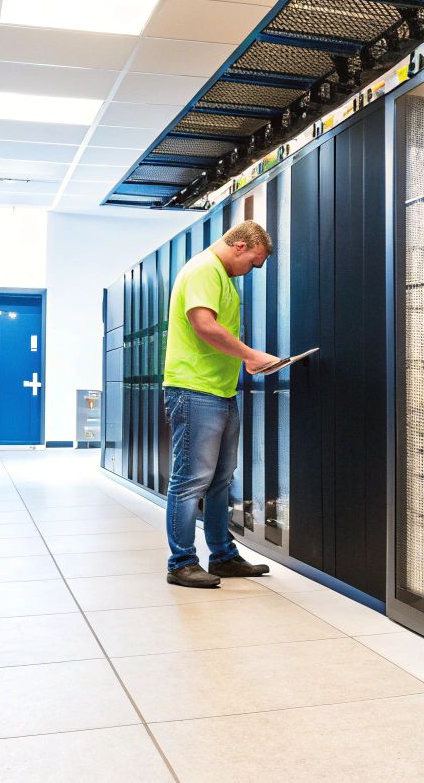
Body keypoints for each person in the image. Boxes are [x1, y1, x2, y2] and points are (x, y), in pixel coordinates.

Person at [161, 220, 278, 588]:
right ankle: (181, 562)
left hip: (221, 391)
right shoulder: (203, 270)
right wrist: (250, 355)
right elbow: (204, 326)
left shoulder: (223, 279)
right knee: (191, 480)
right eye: (254, 261)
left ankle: (223, 556)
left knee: (221, 481)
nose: (254, 269)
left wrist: (244, 361)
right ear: (240, 247)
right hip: (194, 390)